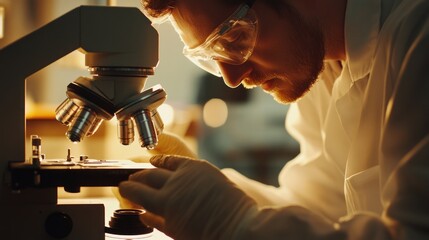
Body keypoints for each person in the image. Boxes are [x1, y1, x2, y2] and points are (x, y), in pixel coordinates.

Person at [117, 0, 429, 239]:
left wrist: (231, 222)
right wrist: (210, 192)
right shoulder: (323, 68)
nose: (232, 78)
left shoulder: (419, 28)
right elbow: (318, 211)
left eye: (235, 39)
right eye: (214, 56)